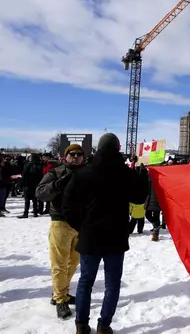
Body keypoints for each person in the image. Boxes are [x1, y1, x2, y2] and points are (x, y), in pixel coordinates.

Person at [63, 133, 149, 334]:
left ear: (99, 148)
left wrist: (81, 226)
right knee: (112, 284)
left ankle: (81, 325)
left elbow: (67, 205)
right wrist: (142, 176)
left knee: (85, 281)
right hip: (115, 236)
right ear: (117, 148)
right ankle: (104, 326)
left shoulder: (84, 172)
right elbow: (138, 198)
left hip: (90, 235)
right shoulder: (126, 174)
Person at [35, 144, 86, 319]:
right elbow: (40, 193)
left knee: (73, 262)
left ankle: (60, 291)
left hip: (80, 225)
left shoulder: (86, 173)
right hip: (60, 223)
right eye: (73, 154)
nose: (76, 157)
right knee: (59, 264)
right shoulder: (56, 172)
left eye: (80, 154)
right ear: (65, 156)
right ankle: (60, 299)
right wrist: (56, 185)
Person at [19, 153, 44, 218]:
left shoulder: (27, 165)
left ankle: (26, 213)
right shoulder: (40, 165)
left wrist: (21, 185)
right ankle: (35, 212)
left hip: (27, 184)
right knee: (34, 199)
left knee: (27, 200)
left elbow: (24, 175)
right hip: (36, 184)